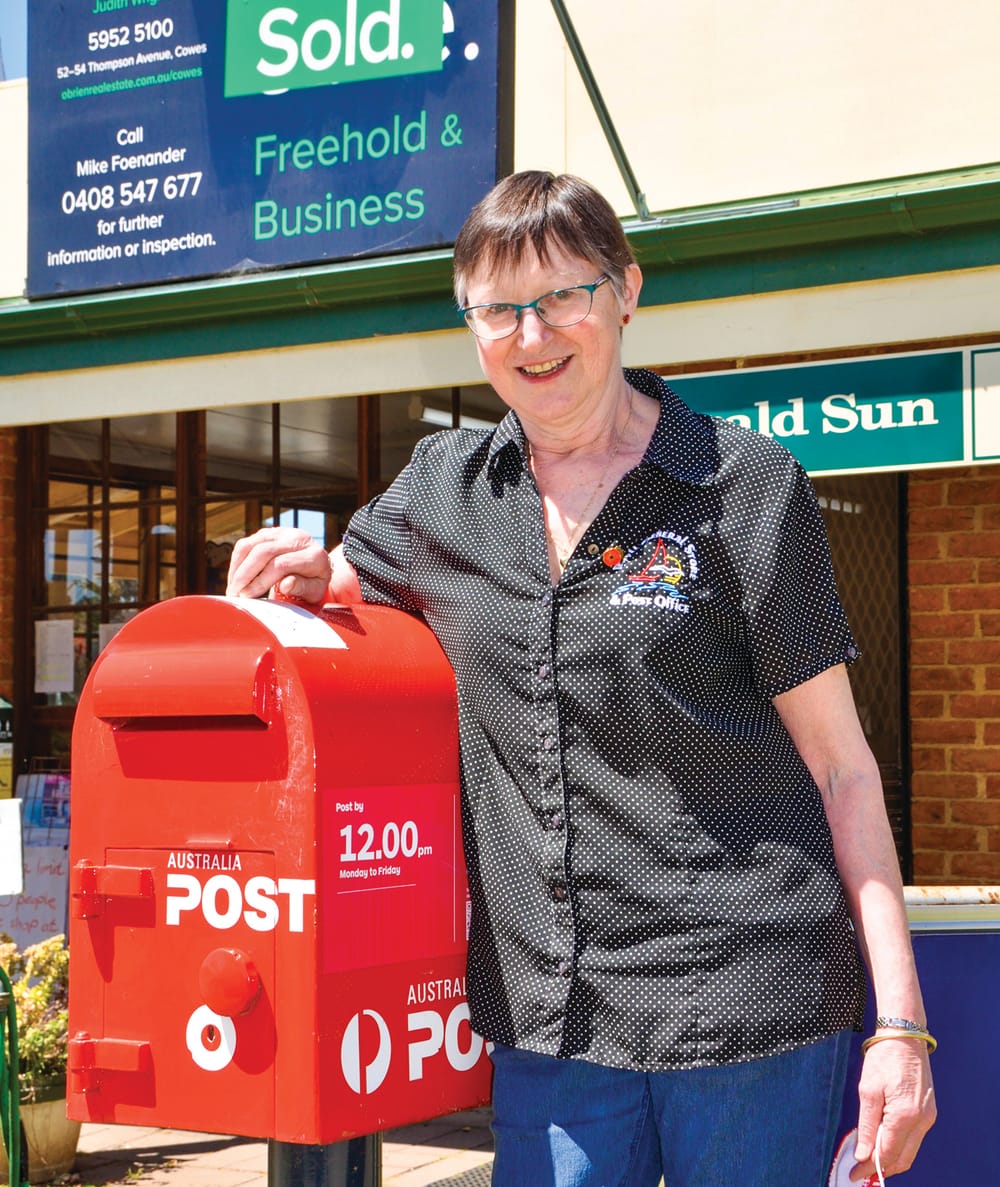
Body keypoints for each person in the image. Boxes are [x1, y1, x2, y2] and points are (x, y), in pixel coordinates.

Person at [227, 171, 935, 1185]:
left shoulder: (742, 485)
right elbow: (337, 585)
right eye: (499, 309)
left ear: (626, 290)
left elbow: (843, 770)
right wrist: (292, 572)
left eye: (563, 294)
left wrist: (900, 1027)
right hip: (553, 1018)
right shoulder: (442, 491)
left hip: (748, 1006)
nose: (533, 334)